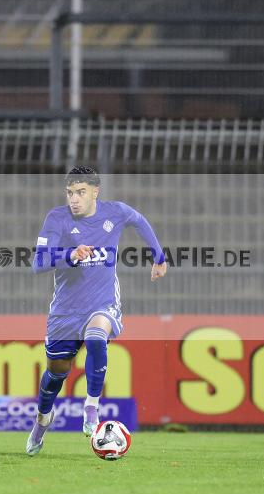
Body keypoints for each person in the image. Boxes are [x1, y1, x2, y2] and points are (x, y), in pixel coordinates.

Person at [26, 166, 167, 456]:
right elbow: (38, 263)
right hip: (66, 310)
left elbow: (140, 222)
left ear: (95, 192)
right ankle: (42, 419)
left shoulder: (115, 213)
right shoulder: (57, 218)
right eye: (70, 193)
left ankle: (91, 406)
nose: (74, 199)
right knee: (56, 373)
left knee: (96, 336)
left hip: (102, 302)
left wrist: (159, 256)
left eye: (81, 192)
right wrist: (70, 255)